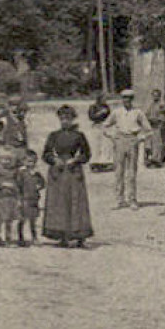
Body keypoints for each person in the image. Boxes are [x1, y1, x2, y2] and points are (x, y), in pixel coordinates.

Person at [41, 105, 94, 248]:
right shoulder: (54, 135)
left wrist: (75, 160)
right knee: (60, 203)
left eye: (68, 118)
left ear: (73, 119)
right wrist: (54, 159)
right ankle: (62, 236)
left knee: (76, 202)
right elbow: (45, 154)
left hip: (73, 171)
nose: (65, 121)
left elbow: (87, 154)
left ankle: (79, 237)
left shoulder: (79, 136)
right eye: (62, 118)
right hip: (58, 172)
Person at [104, 89, 150, 209]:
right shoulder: (117, 112)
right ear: (121, 99)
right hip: (119, 140)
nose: (126, 101)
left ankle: (132, 200)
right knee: (119, 172)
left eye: (129, 98)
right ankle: (119, 200)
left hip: (132, 140)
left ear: (132, 99)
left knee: (131, 173)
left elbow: (148, 129)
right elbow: (105, 125)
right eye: (124, 98)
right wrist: (112, 136)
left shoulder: (138, 112)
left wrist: (140, 138)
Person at [16, 148, 44, 247]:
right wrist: (19, 198)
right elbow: (18, 185)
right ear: (24, 161)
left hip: (34, 198)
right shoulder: (21, 173)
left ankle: (34, 237)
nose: (31, 164)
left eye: (33, 162)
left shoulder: (36, 173)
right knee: (22, 219)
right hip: (24, 198)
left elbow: (42, 183)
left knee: (33, 219)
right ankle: (20, 238)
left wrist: (39, 185)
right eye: (28, 161)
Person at [144, 88, 165, 169]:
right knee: (150, 143)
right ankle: (150, 159)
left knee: (159, 144)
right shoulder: (151, 105)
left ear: (159, 96)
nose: (155, 97)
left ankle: (158, 160)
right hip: (151, 126)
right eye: (154, 95)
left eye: (157, 96)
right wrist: (148, 120)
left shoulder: (162, 105)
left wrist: (160, 121)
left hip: (159, 126)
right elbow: (147, 114)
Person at [86, 94, 114, 172]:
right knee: (96, 145)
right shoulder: (93, 107)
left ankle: (105, 162)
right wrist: (100, 113)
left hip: (104, 126)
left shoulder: (106, 107)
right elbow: (91, 117)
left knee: (106, 144)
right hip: (96, 126)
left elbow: (109, 116)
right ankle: (94, 162)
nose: (104, 101)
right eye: (103, 99)